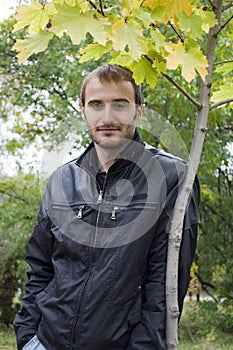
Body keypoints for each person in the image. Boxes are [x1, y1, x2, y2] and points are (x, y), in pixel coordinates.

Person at [14, 64, 200, 350]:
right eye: (97, 105)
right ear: (83, 111)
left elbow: (165, 286)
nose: (107, 117)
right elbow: (40, 269)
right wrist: (27, 336)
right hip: (45, 342)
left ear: (138, 111)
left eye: (120, 105)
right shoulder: (62, 179)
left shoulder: (171, 176)